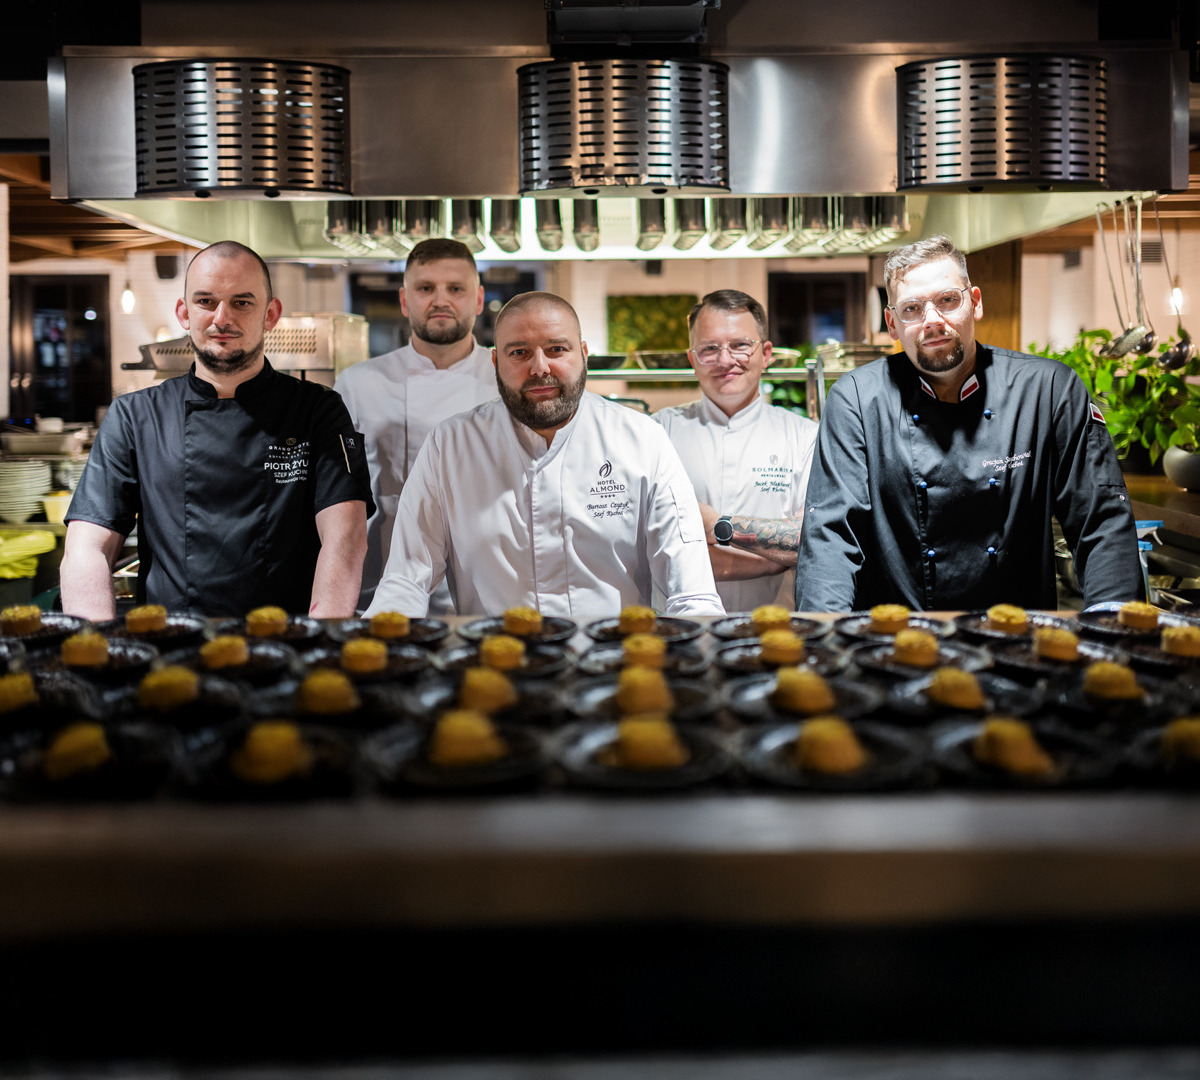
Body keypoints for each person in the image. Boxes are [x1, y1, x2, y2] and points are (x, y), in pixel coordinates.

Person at [796, 234, 1142, 612]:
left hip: (1015, 641)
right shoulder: (857, 399)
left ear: (974, 303)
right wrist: (823, 639)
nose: (933, 321)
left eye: (948, 300)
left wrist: (1115, 632)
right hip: (893, 649)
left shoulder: (1049, 389)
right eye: (911, 309)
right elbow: (830, 534)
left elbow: (1101, 519)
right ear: (892, 324)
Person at [61, 240, 373, 619]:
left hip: (286, 649)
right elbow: (86, 547)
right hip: (170, 651)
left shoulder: (317, 409)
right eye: (206, 301)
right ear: (184, 312)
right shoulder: (134, 416)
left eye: (242, 302)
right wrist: (96, 646)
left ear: (270, 314)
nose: (221, 318)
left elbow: (346, 539)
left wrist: (321, 639)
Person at [365, 291, 724, 618]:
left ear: (583, 356)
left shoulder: (643, 439)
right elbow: (406, 581)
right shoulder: (450, 446)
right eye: (519, 352)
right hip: (494, 666)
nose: (539, 368)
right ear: (495, 362)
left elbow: (691, 593)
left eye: (556, 349)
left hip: (613, 665)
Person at [334, 238, 497, 610]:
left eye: (456, 289)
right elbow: (338, 498)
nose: (441, 300)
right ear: (405, 301)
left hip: (481, 592)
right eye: (426, 289)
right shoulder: (358, 383)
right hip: (380, 584)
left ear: (477, 299)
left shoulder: (505, 380)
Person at [656, 289, 818, 612]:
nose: (725, 360)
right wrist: (772, 558)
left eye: (741, 345)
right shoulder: (659, 433)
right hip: (682, 632)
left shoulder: (804, 438)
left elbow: (810, 542)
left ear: (766, 354)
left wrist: (715, 526)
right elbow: (656, 551)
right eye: (709, 348)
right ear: (692, 359)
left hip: (774, 629)